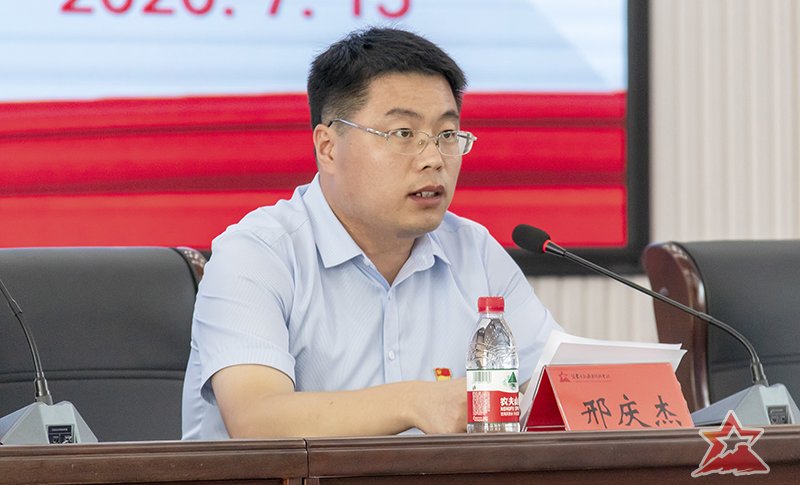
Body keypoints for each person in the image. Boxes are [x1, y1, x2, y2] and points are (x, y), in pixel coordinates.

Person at [181, 27, 561, 440]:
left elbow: (559, 388)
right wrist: (416, 402)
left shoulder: (475, 252)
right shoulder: (256, 254)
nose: (434, 159)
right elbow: (257, 420)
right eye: (403, 134)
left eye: (447, 135)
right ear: (328, 147)